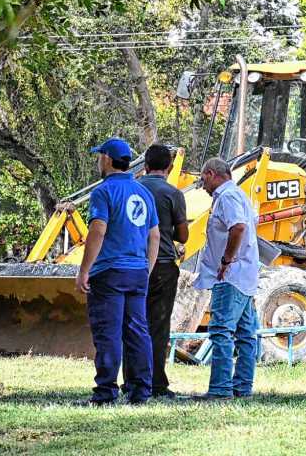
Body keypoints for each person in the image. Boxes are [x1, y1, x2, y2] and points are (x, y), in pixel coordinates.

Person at [75, 137, 160, 406]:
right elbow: (155, 236)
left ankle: (105, 393)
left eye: (100, 156)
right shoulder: (144, 192)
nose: (99, 161)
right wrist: (147, 269)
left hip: (109, 272)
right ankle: (139, 391)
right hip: (137, 272)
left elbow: (98, 230)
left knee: (108, 332)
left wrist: (84, 270)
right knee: (138, 331)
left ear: (108, 160)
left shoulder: (103, 191)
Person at [122, 144, 188, 399]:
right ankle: (157, 383)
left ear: (145, 165)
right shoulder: (173, 193)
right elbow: (183, 235)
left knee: (132, 324)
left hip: (133, 265)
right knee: (158, 326)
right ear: (170, 167)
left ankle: (130, 381)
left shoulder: (133, 190)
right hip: (162, 266)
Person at [192, 157, 260, 401]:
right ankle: (242, 386)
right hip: (245, 275)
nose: (204, 186)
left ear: (211, 174)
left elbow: (238, 227)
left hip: (230, 275)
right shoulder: (240, 195)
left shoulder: (227, 197)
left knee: (221, 330)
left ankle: (220, 389)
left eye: (203, 180)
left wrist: (226, 260)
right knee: (246, 333)